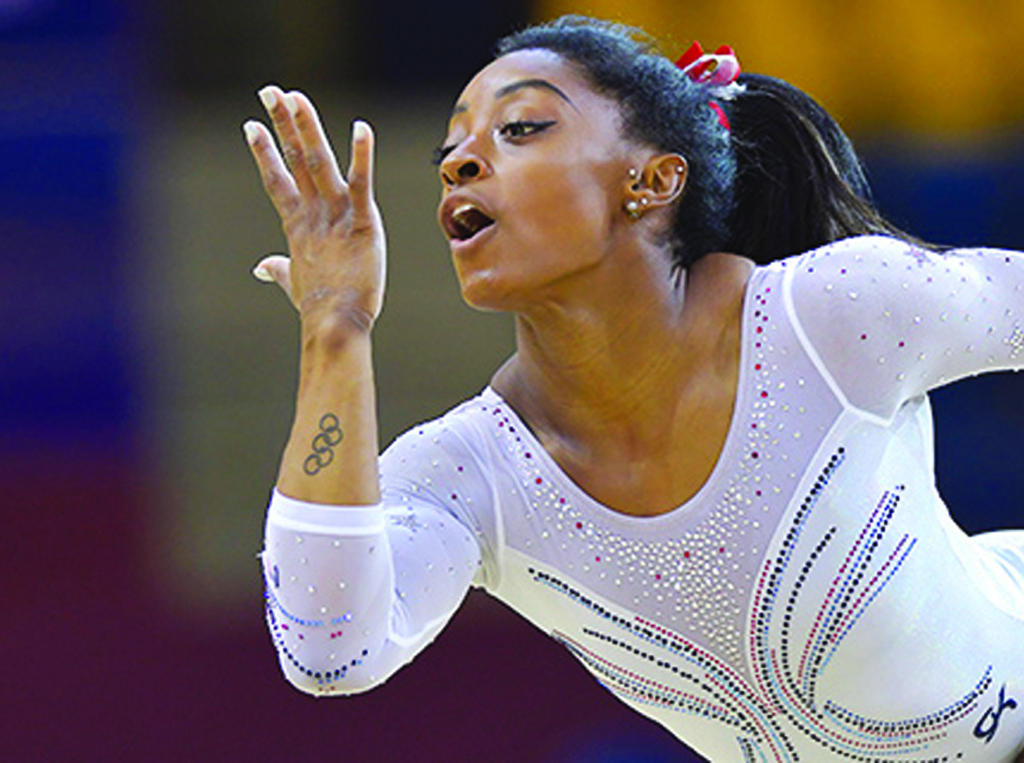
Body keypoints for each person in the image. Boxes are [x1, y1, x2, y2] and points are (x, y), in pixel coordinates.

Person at [242, 15, 1024, 762]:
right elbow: (329, 646)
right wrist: (336, 328)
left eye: (519, 129)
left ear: (649, 180)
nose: (458, 161)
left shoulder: (830, 316)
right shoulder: (474, 473)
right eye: (453, 147)